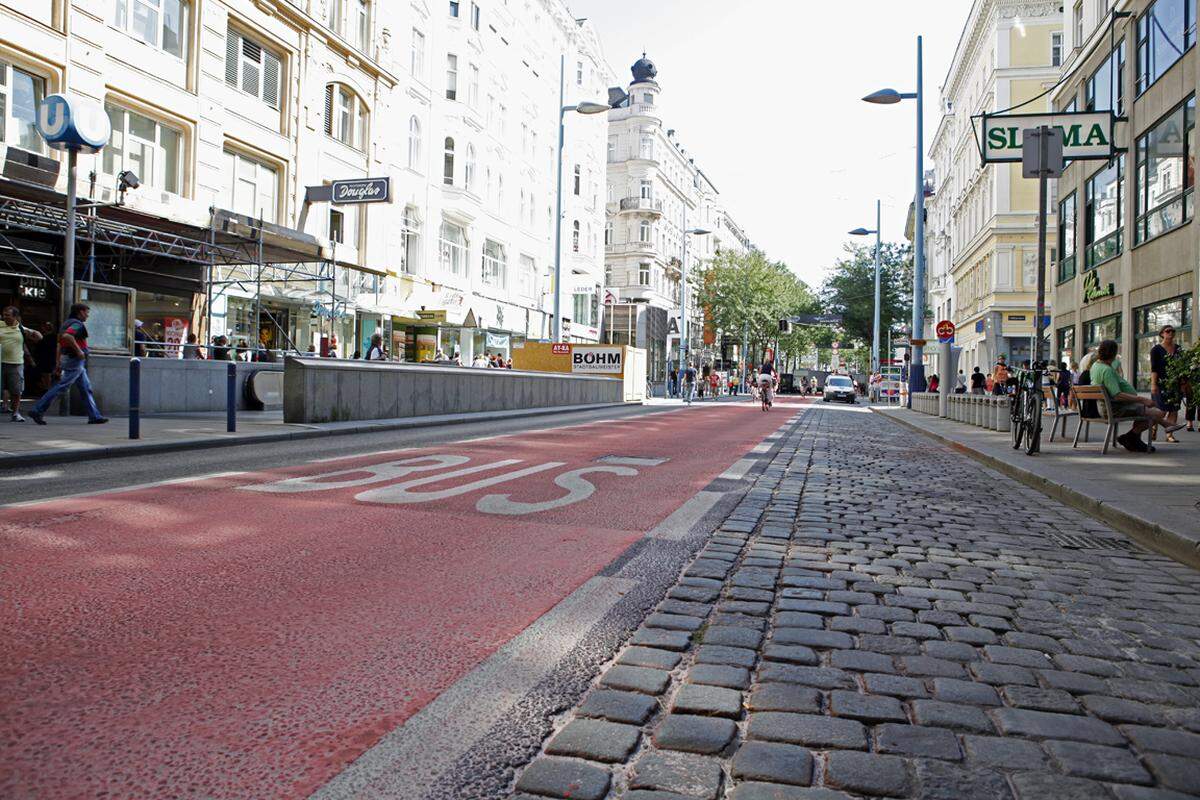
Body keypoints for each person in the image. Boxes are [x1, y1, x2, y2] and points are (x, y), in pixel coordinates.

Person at [1090, 339, 1184, 452]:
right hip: (1114, 408)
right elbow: (1117, 395)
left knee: (1150, 410)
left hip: (1108, 406)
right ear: (1113, 353)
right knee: (1157, 413)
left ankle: (1138, 437)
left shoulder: (1096, 365)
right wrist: (1142, 399)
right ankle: (1131, 437)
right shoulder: (1106, 370)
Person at [28, 303, 107, 425]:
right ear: (80, 312)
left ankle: (94, 416)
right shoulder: (77, 324)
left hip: (70, 358)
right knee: (62, 386)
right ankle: (37, 410)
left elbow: (60, 343)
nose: (87, 315)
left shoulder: (66, 323)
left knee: (86, 388)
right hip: (75, 360)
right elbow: (67, 336)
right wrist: (79, 351)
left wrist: (58, 361)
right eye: (86, 312)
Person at [1, 306, 43, 422]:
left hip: (16, 363)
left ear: (15, 317)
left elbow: (38, 337)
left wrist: (34, 333)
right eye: (4, 315)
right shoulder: (0, 324)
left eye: (7, 315)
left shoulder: (20, 328)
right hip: (0, 363)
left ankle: (15, 413)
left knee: (16, 390)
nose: (5, 317)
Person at [1149, 324, 1185, 443]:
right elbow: (1154, 368)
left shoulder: (1179, 349)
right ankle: (1153, 428)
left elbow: (1182, 367)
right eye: (1168, 331)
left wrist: (1183, 383)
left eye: (1172, 331)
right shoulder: (1156, 350)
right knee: (1161, 411)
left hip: (1175, 383)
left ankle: (1169, 435)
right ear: (1162, 334)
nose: (1170, 333)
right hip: (1160, 383)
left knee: (1173, 409)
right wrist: (1153, 384)